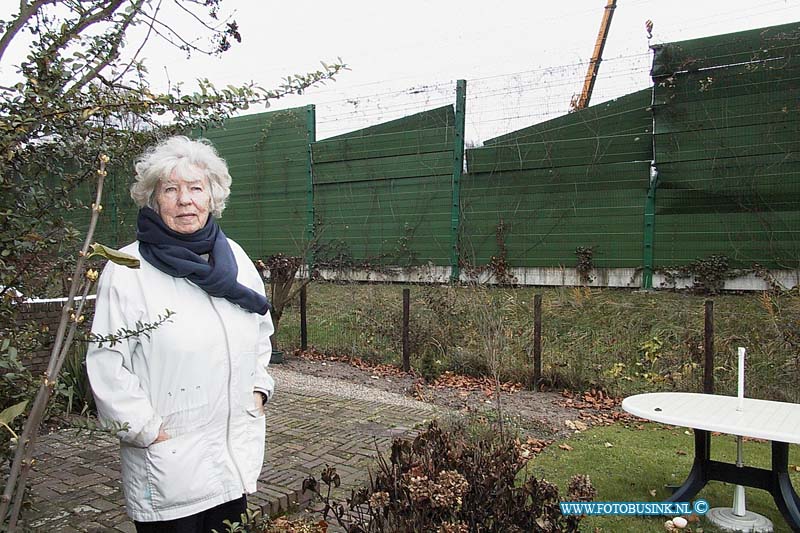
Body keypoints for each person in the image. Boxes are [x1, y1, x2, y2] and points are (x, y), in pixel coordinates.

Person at [86, 136, 275, 532]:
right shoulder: (127, 269)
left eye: (195, 188)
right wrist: (145, 429)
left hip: (231, 459)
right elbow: (107, 363)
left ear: (212, 197)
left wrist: (258, 387)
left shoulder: (235, 257)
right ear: (154, 201)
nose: (185, 200)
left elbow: (260, 329)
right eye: (171, 190)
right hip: (169, 467)